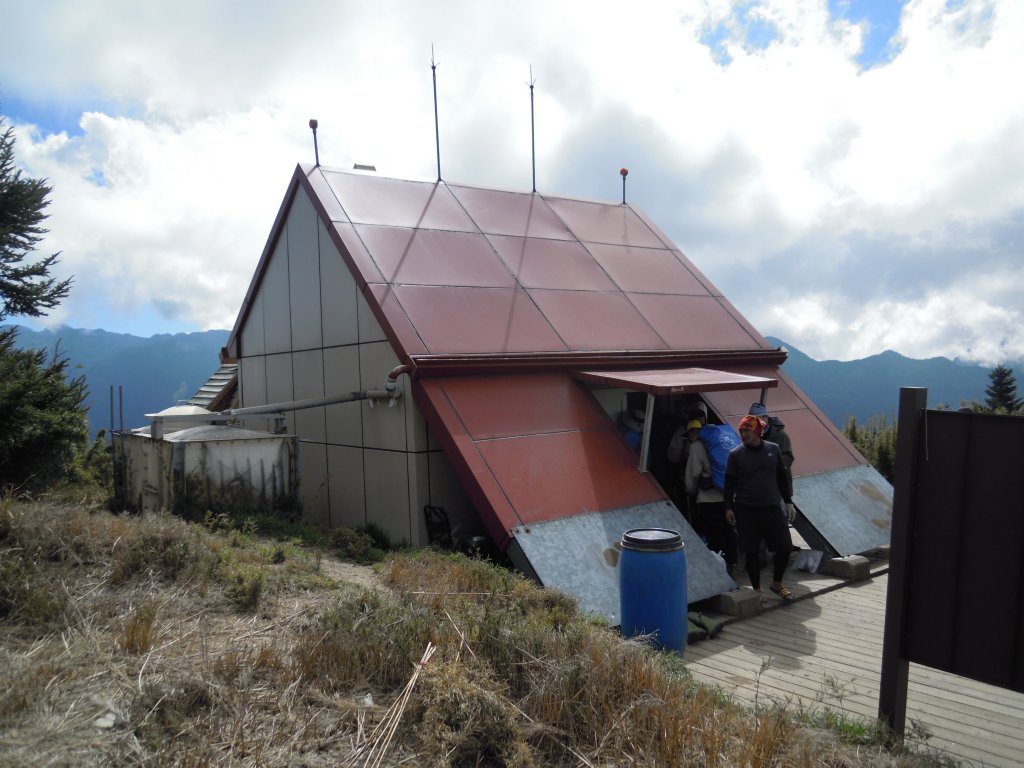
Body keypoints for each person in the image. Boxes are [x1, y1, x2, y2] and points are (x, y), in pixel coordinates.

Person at [723, 415, 798, 602]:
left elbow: (781, 477)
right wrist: (728, 507)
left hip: (772, 507)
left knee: (785, 547)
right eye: (741, 431)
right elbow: (729, 484)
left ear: (757, 431)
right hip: (746, 509)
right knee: (752, 551)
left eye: (747, 430)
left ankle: (777, 583)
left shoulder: (773, 449)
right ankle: (757, 589)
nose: (743, 434)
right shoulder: (735, 454)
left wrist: (788, 501)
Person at [684, 419, 737, 574]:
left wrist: (691, 491)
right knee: (729, 531)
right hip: (729, 496)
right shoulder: (725, 443)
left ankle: (719, 568)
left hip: (709, 499)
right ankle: (732, 563)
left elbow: (693, 474)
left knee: (714, 534)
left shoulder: (696, 447)